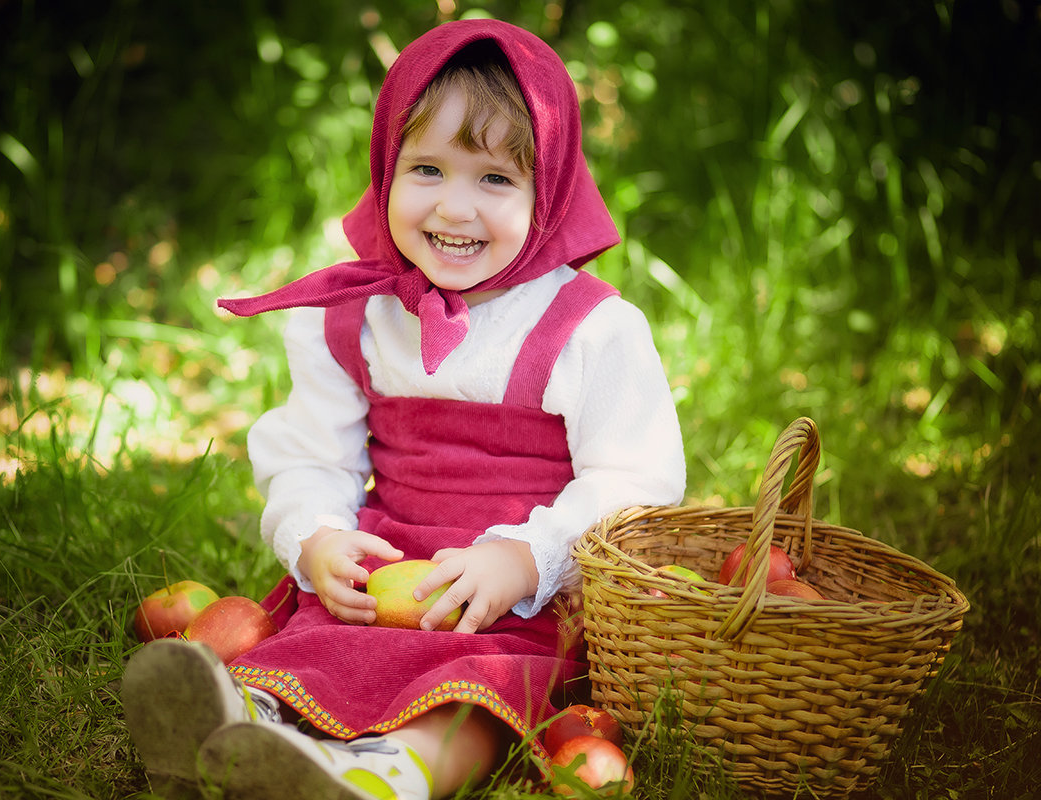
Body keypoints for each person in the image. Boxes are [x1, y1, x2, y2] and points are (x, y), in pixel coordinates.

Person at [121, 17, 684, 800]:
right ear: (386, 170)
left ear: (548, 188)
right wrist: (316, 537)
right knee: (315, 643)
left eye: (494, 179)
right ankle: (240, 722)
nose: (455, 209)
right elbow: (313, 453)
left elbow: (636, 479)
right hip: (389, 566)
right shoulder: (355, 315)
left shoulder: (589, 329)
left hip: (524, 596)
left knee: (475, 694)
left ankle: (385, 776)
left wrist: (524, 559)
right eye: (427, 168)